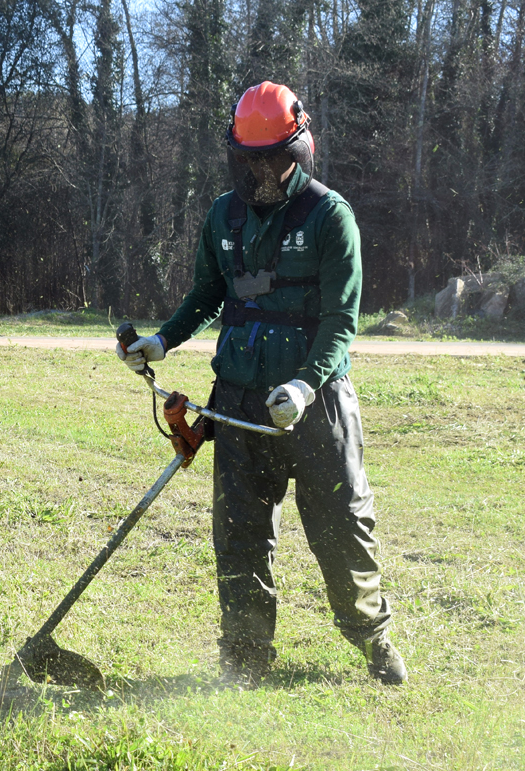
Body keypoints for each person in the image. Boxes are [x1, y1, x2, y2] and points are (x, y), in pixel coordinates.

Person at [116, 82, 406, 687]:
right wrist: (162, 341)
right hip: (241, 400)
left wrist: (303, 387)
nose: (261, 172)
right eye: (249, 159)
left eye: (272, 159)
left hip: (315, 405)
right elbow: (206, 292)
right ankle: (246, 657)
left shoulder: (332, 216)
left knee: (341, 526)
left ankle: (374, 641)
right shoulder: (223, 213)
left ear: (299, 150)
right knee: (240, 532)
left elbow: (341, 321)